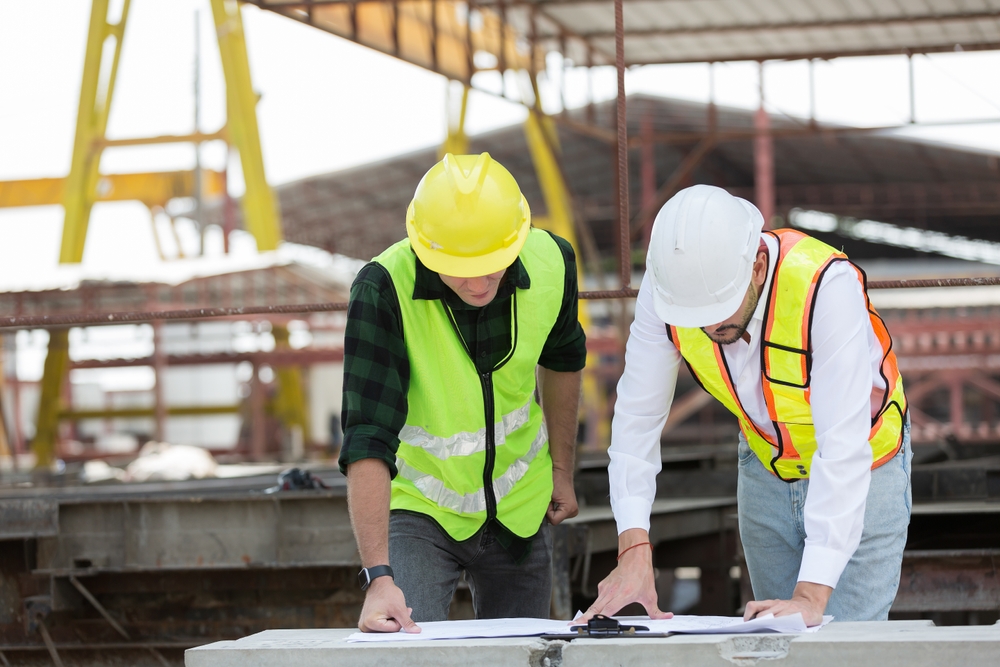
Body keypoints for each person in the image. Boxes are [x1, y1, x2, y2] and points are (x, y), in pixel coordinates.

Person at [584, 184, 910, 626]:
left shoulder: (825, 286)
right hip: (765, 470)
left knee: (845, 647)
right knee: (775, 642)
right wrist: (634, 550)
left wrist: (811, 596)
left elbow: (842, 445)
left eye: (719, 310)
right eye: (694, 316)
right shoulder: (669, 292)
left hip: (864, 466)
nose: (706, 325)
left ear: (757, 266)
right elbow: (637, 418)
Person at [339, 152, 586, 633]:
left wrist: (561, 470)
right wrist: (377, 576)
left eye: (492, 266)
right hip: (422, 508)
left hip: (520, 504)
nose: (477, 282)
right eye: (459, 268)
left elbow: (563, 360)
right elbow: (367, 434)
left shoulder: (553, 262)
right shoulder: (382, 289)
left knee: (523, 658)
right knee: (404, 651)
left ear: (517, 238)